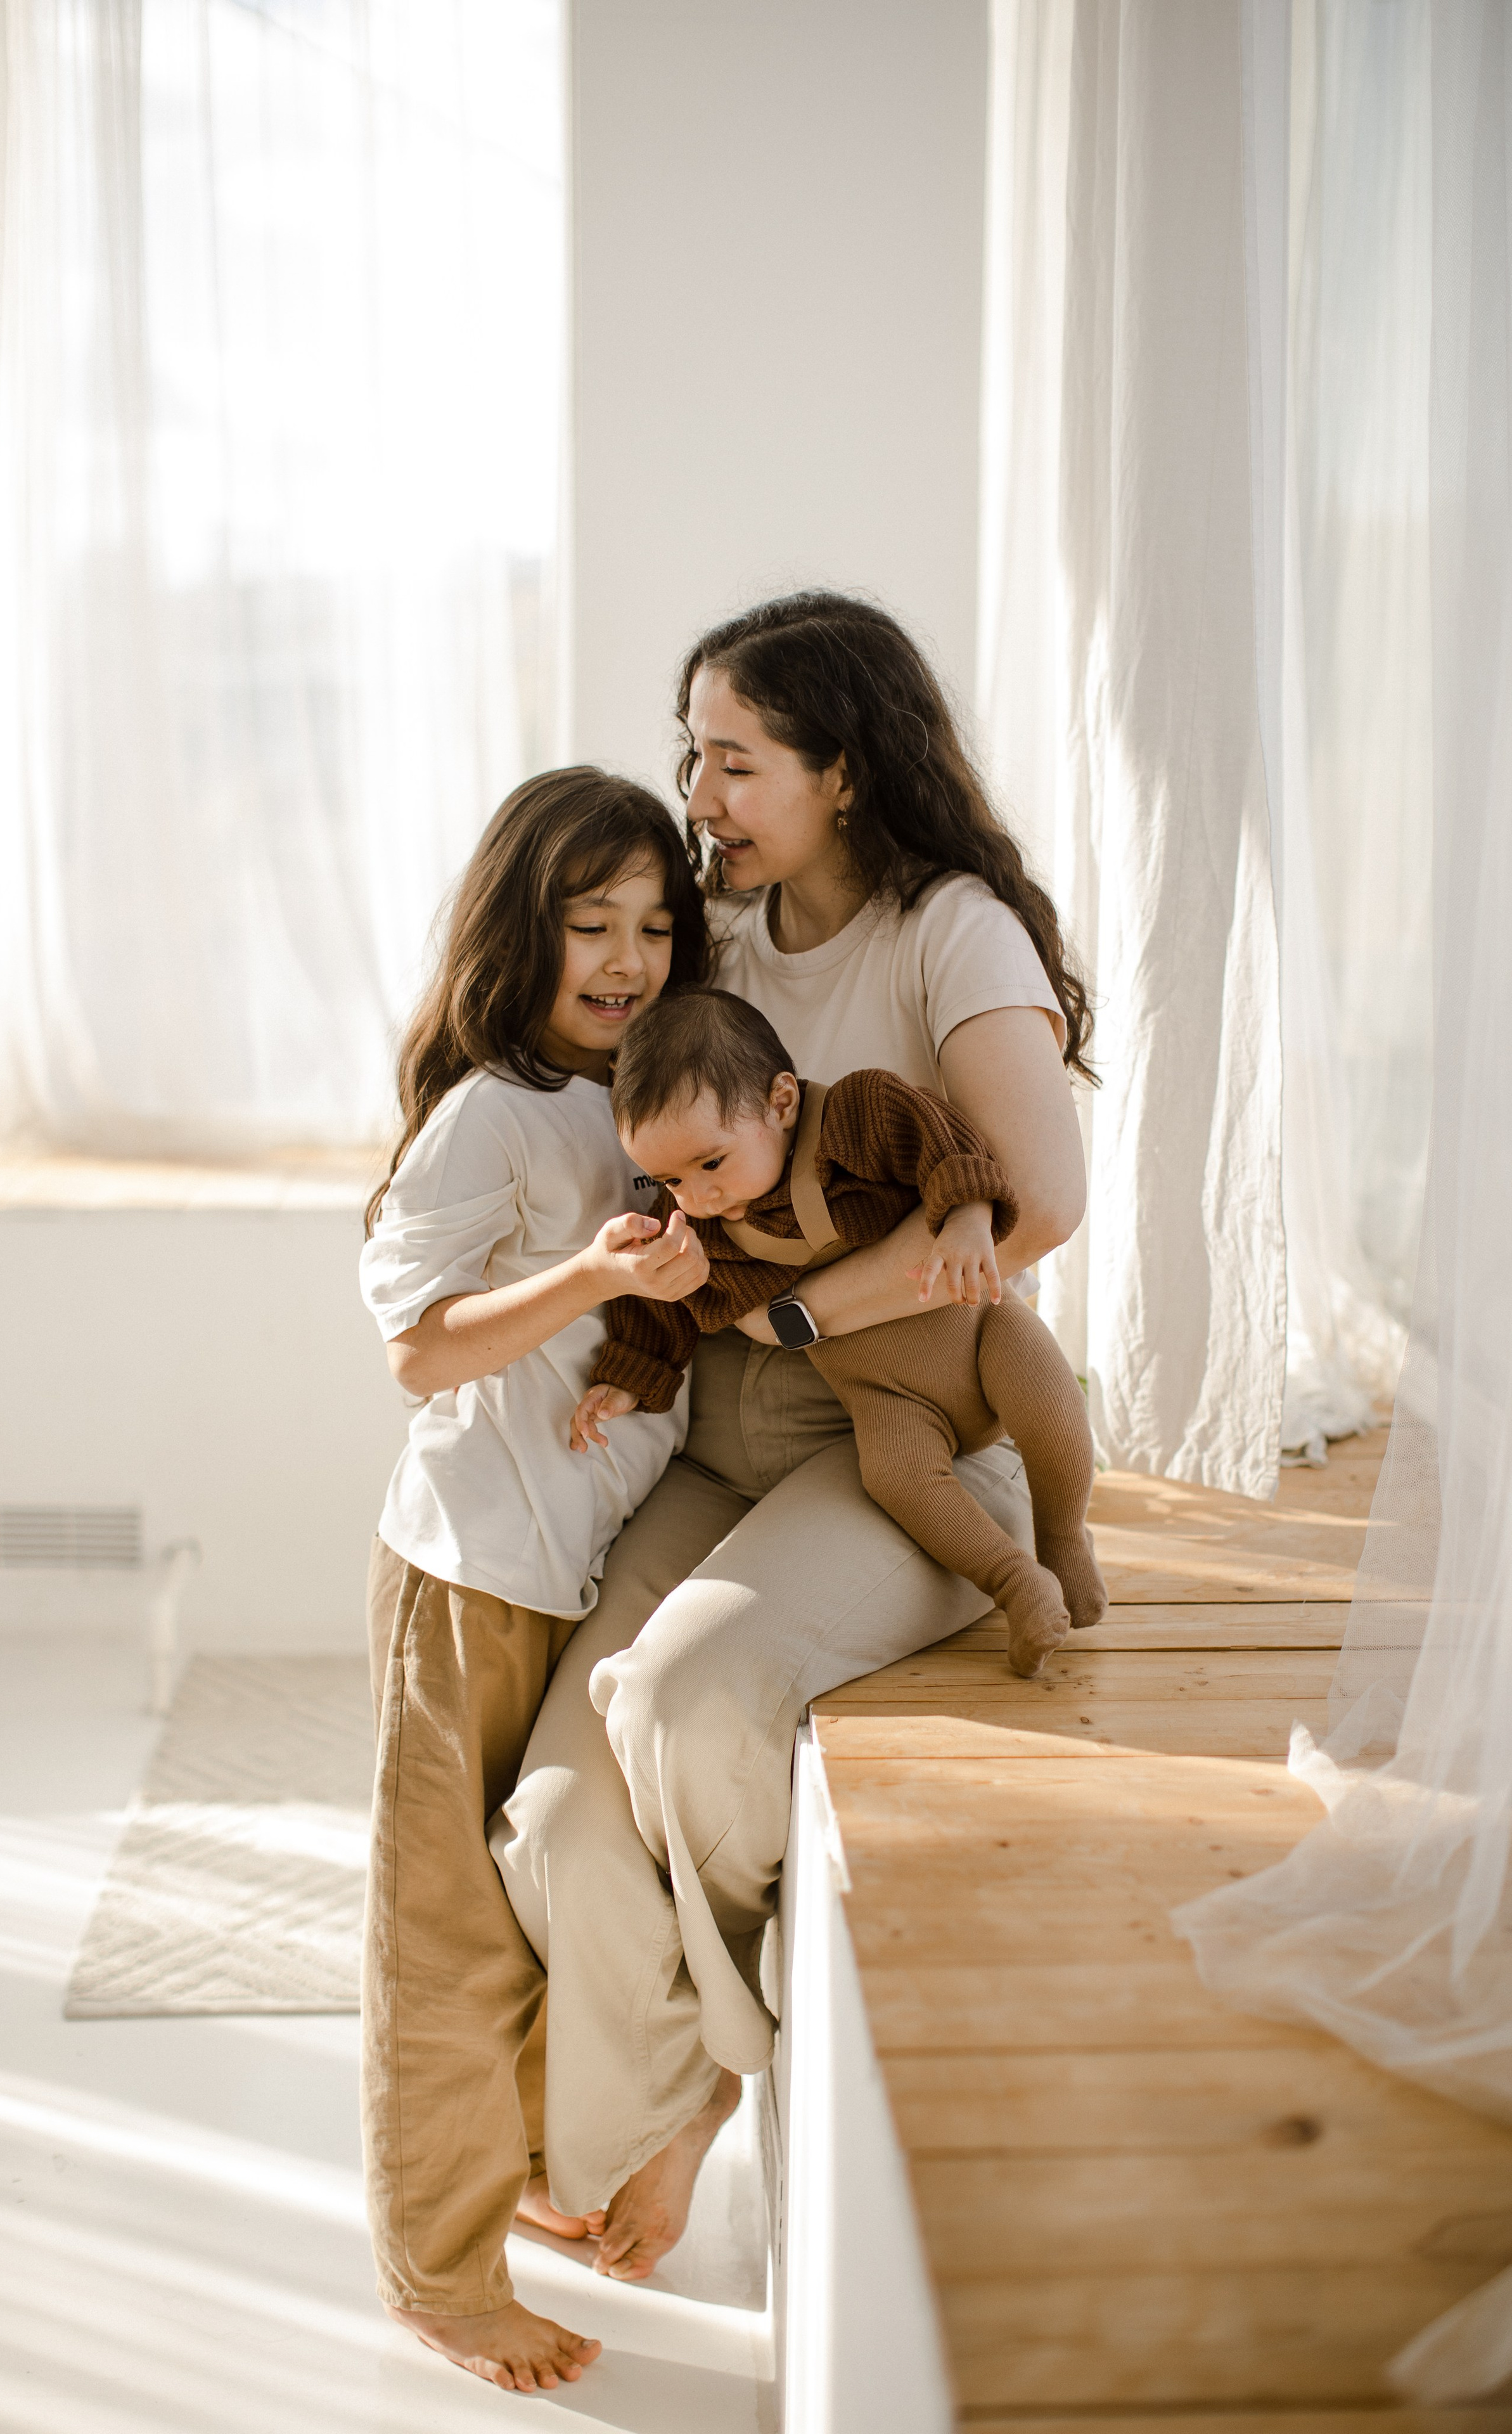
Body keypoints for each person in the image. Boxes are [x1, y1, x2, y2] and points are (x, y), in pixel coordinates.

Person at [491, 591, 1096, 2283]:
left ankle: (701, 2105)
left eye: (735, 760)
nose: (701, 792)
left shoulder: (949, 930)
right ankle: (644, 2116)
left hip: (904, 1422)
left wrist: (798, 1315)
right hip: (722, 1429)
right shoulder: (723, 944)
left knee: (685, 1703)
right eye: (695, 754)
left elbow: (1039, 1198)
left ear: (841, 771)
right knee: (552, 1818)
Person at [357, 766, 710, 2393]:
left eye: (653, 922)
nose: (627, 956)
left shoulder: (649, 1085)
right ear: (523, 930)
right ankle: (435, 2271)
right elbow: (419, 1349)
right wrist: (586, 1271)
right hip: (469, 1572)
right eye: (590, 925)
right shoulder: (491, 1106)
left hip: (578, 1568)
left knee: (536, 1901)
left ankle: (512, 2177)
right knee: (446, 1937)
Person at [575, 988, 1105, 1675]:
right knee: (895, 1475)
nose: (697, 1195)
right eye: (670, 1179)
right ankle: (1014, 1581)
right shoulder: (700, 1227)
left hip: (978, 1338)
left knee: (1045, 1392)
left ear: (782, 1102)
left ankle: (1062, 1537)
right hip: (886, 1400)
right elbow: (659, 1307)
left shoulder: (858, 1117)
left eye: (711, 1163)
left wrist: (970, 1217)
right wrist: (627, 1378)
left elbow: (946, 1146)